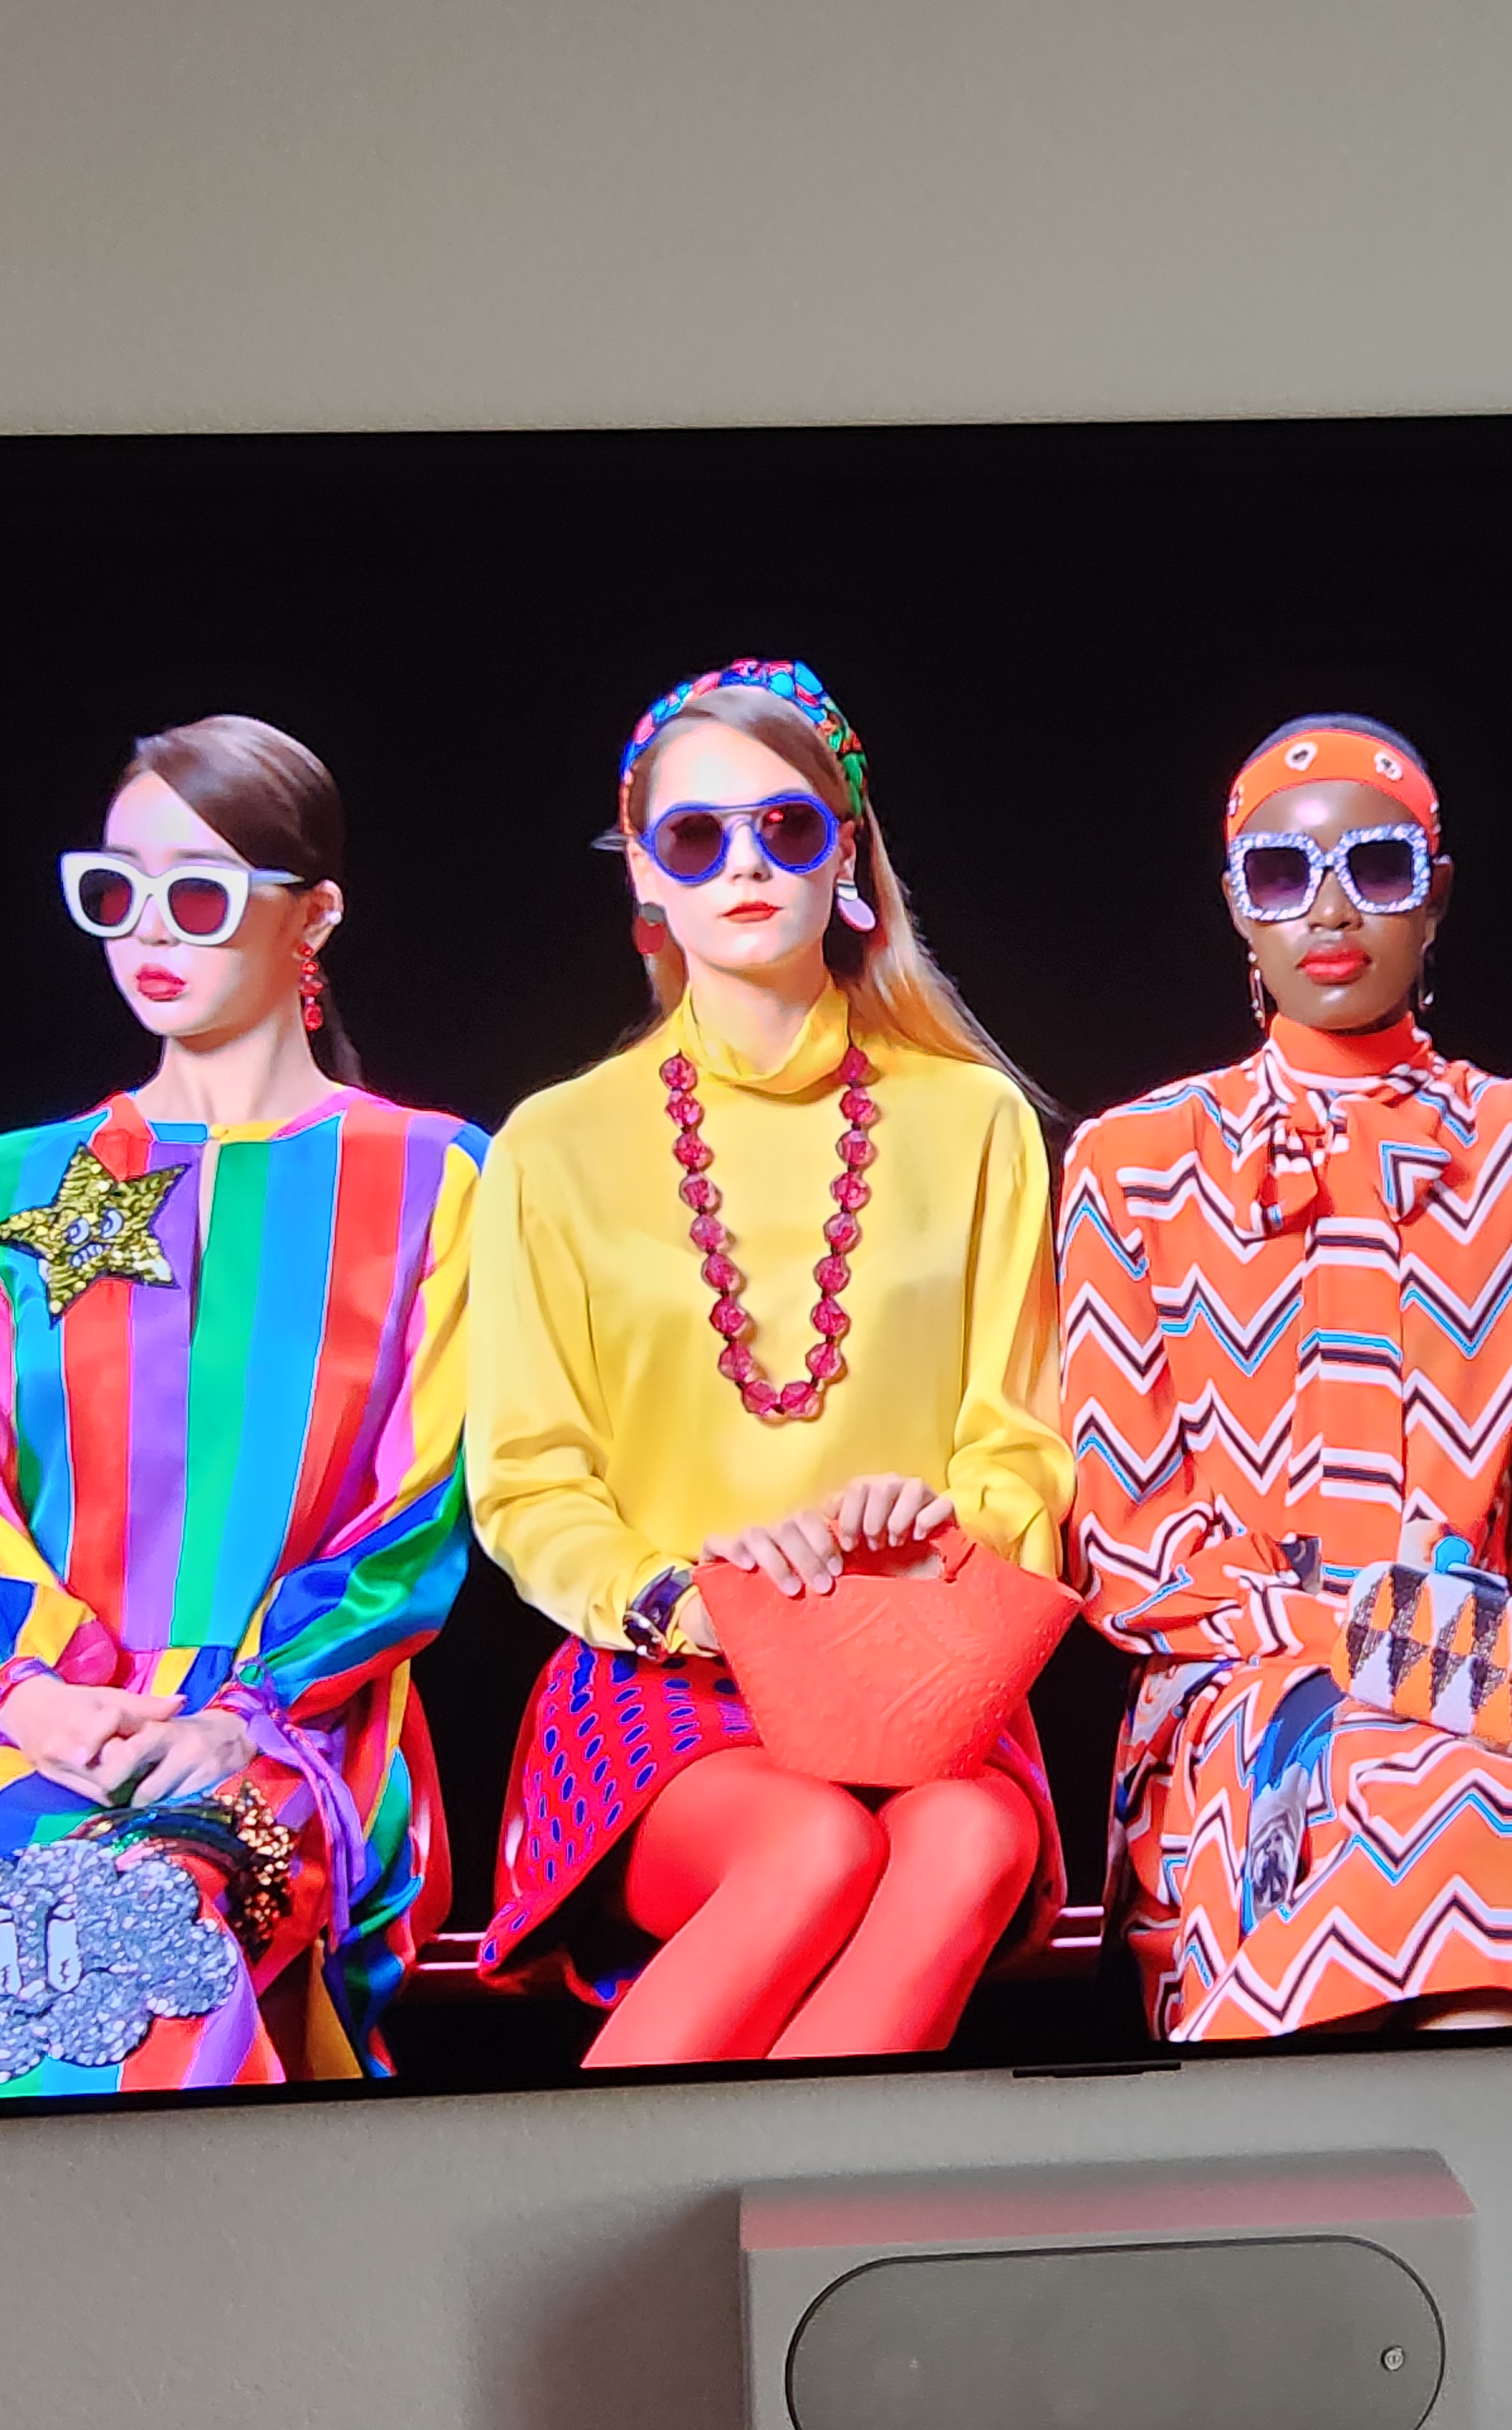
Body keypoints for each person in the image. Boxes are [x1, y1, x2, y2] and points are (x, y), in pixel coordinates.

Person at [0, 717, 486, 2108]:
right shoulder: (9, 1186)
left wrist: (246, 1713)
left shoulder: (434, 1179)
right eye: (116, 889)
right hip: (18, 1718)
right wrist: (36, 1696)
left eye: (200, 892)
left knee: (142, 1937)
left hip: (291, 1727)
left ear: (314, 916)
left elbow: (420, 1508)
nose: (150, 929)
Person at [1058, 714, 1512, 2041]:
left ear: (1437, 893)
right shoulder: (1135, 1164)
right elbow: (1131, 1549)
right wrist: (1386, 1645)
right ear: (1237, 907)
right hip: (1254, 1689)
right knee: (1393, 1798)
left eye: (1377, 865)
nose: (1331, 909)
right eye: (1282, 875)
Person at [464, 659, 1074, 2067]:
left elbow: (1020, 1441)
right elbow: (530, 1480)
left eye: (786, 827)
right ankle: (608, 2192)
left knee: (973, 1840)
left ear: (847, 854)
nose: (744, 864)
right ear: (645, 876)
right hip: (662, 1670)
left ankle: (767, 2197)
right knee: (808, 1847)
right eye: (695, 836)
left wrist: (931, 1535)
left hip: (922, 1655)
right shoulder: (554, 1144)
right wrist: (699, 1601)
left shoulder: (975, 1121)